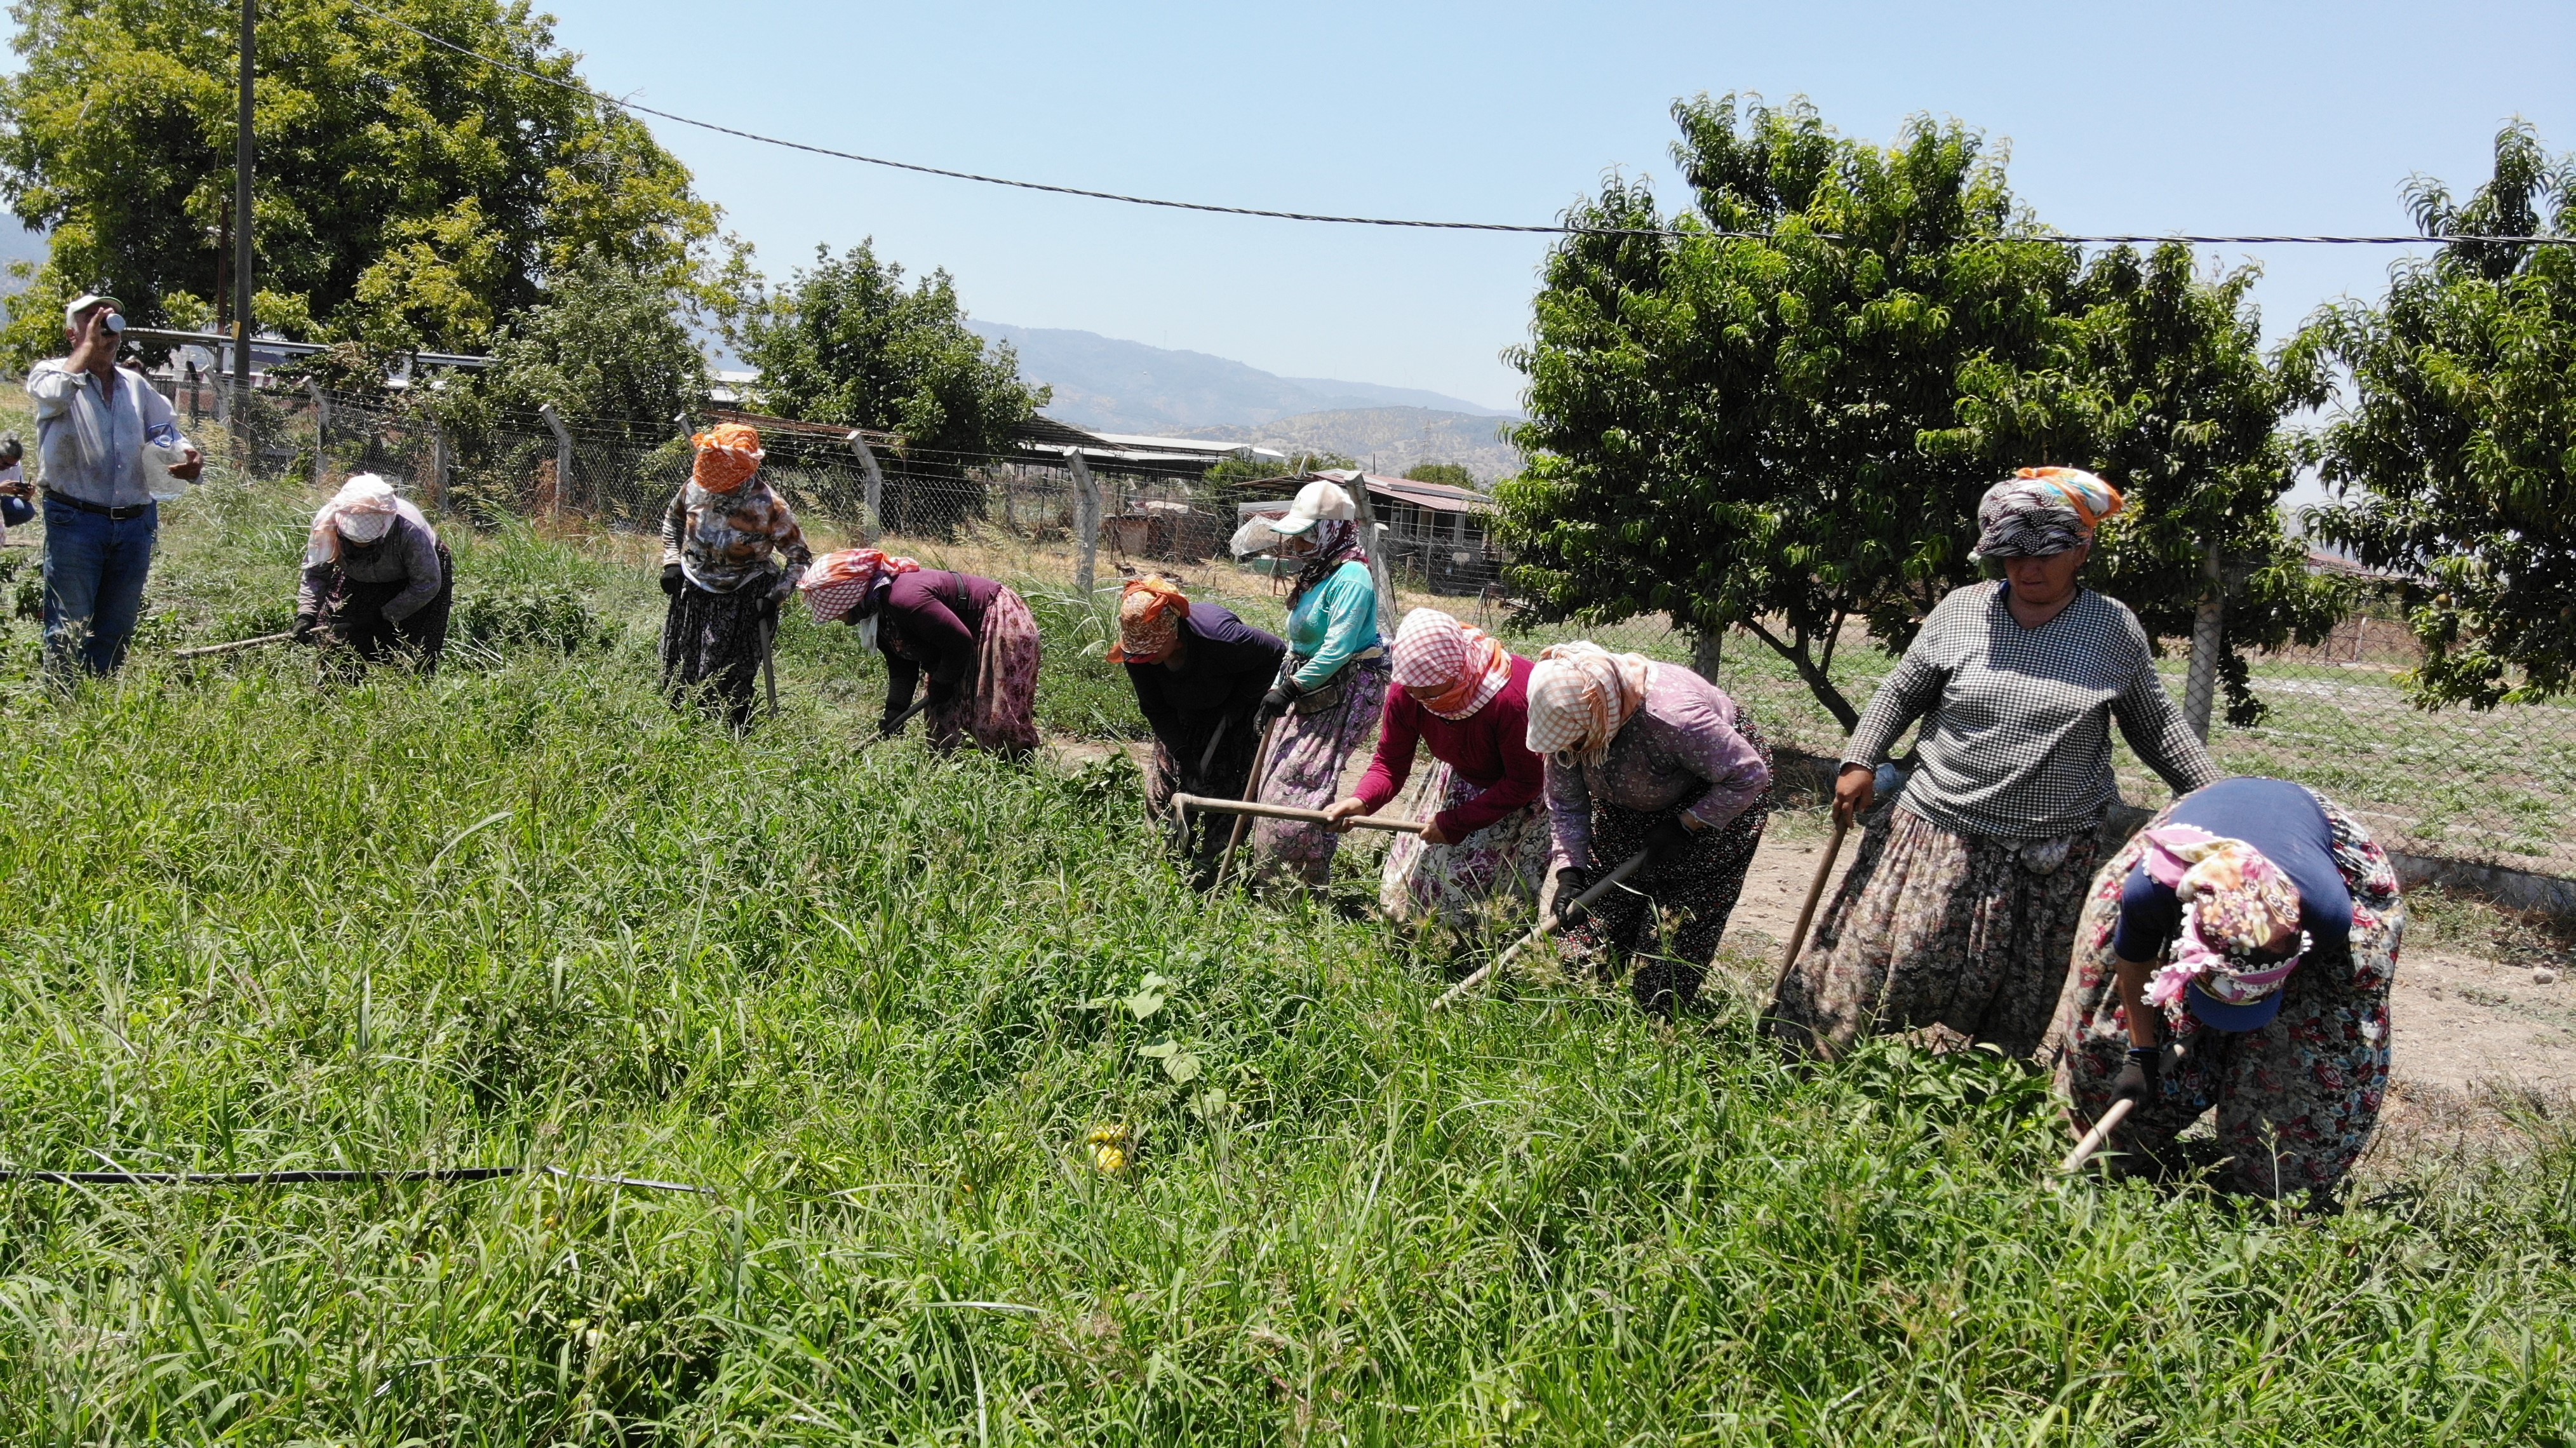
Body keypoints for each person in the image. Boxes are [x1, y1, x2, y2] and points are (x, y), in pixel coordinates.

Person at [1771, 468, 2224, 1059]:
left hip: (2048, 849)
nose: (2026, 570)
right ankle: (1807, 1059)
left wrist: (2222, 802)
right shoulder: (1963, 610)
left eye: (2044, 555)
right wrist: (1860, 758)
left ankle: (1983, 1094)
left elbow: (2158, 728)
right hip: (1938, 825)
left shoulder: (2113, 629)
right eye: (2009, 556)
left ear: (2082, 550)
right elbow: (1900, 692)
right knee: (1879, 959)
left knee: (2018, 991)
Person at [2051, 777, 2402, 1200]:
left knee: (2316, 1045)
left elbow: (2297, 973)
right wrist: (2142, 1053)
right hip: (2200, 831)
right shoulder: (2152, 889)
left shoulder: (2327, 915)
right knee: (2106, 1032)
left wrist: (2247, 994)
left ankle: (2274, 1188)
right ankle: (2113, 1156)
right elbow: (2133, 961)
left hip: (2308, 847)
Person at [1529, 640, 1774, 1014]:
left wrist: (1688, 824)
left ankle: (1653, 1024)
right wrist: (1570, 871)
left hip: (1714, 794)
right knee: (1596, 911)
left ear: (1601, 719)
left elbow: (1748, 775)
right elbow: (1566, 801)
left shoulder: (1674, 718)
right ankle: (1587, 1011)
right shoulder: (1569, 725)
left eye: (1578, 743)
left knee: (1673, 921)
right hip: (1631, 795)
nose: (1570, 753)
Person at [1323, 607, 1547, 930]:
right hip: (1457, 777)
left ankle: (1473, 958)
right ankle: (1415, 945)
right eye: (1413, 690)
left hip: (1517, 797)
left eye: (1429, 692)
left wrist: (1456, 822)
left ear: (1457, 671)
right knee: (1409, 884)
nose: (1420, 699)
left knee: (1481, 901)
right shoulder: (1409, 689)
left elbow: (1524, 782)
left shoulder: (1511, 700)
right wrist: (1361, 801)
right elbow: (1389, 763)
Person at [25, 292, 203, 678]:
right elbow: (55, 395)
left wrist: (187, 456)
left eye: (109, 319)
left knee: (116, 626)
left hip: (134, 522)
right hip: (76, 517)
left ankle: (98, 697)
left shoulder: (134, 385)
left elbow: (166, 432)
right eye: (92, 320)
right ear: (73, 334)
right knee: (69, 623)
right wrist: (88, 347)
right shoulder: (51, 373)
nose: (105, 326)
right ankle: (64, 705)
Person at [1235, 478, 1387, 887]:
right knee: (1273, 770)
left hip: (1345, 687)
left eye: (1305, 539)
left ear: (1331, 532)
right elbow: (1300, 641)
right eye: (1295, 540)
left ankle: (1299, 888)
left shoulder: (1352, 577)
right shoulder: (1321, 572)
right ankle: (1266, 876)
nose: (1297, 549)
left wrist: (1289, 688)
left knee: (1299, 783)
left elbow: (1337, 649)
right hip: (1308, 682)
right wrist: (1280, 684)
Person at [1108, 576, 1287, 882]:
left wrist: (1242, 702)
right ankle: (1165, 864)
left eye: (1151, 652)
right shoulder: (1138, 655)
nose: (1143, 660)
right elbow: (1155, 708)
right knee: (1166, 785)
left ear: (1174, 636)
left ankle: (1214, 872)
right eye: (1139, 653)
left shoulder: (1222, 639)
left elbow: (1275, 653)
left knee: (1228, 790)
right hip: (1181, 712)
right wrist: (1182, 753)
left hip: (1233, 712)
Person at [799, 547, 1042, 758]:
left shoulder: (904, 600)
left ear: (849, 598)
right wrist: (895, 710)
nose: (837, 618)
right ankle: (955, 784)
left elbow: (958, 642)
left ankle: (1018, 775)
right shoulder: (878, 612)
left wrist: (944, 681)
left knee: (997, 720)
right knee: (943, 723)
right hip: (955, 637)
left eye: (835, 611)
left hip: (994, 617)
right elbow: (901, 662)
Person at [659, 423, 810, 729]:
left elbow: (800, 559)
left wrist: (775, 598)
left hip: (743, 597)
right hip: (694, 590)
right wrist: (672, 562)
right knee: (681, 670)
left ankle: (734, 734)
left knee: (726, 677)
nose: (719, 484)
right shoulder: (695, 487)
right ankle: (681, 731)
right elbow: (672, 521)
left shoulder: (769, 506)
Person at [296, 473, 453, 675]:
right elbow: (316, 574)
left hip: (414, 582)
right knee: (338, 641)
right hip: (357, 578)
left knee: (412, 653)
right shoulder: (327, 526)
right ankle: (337, 696)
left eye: (368, 543)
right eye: (352, 542)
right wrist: (307, 614)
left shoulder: (410, 532)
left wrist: (384, 614)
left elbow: (426, 584)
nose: (360, 547)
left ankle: (401, 700)